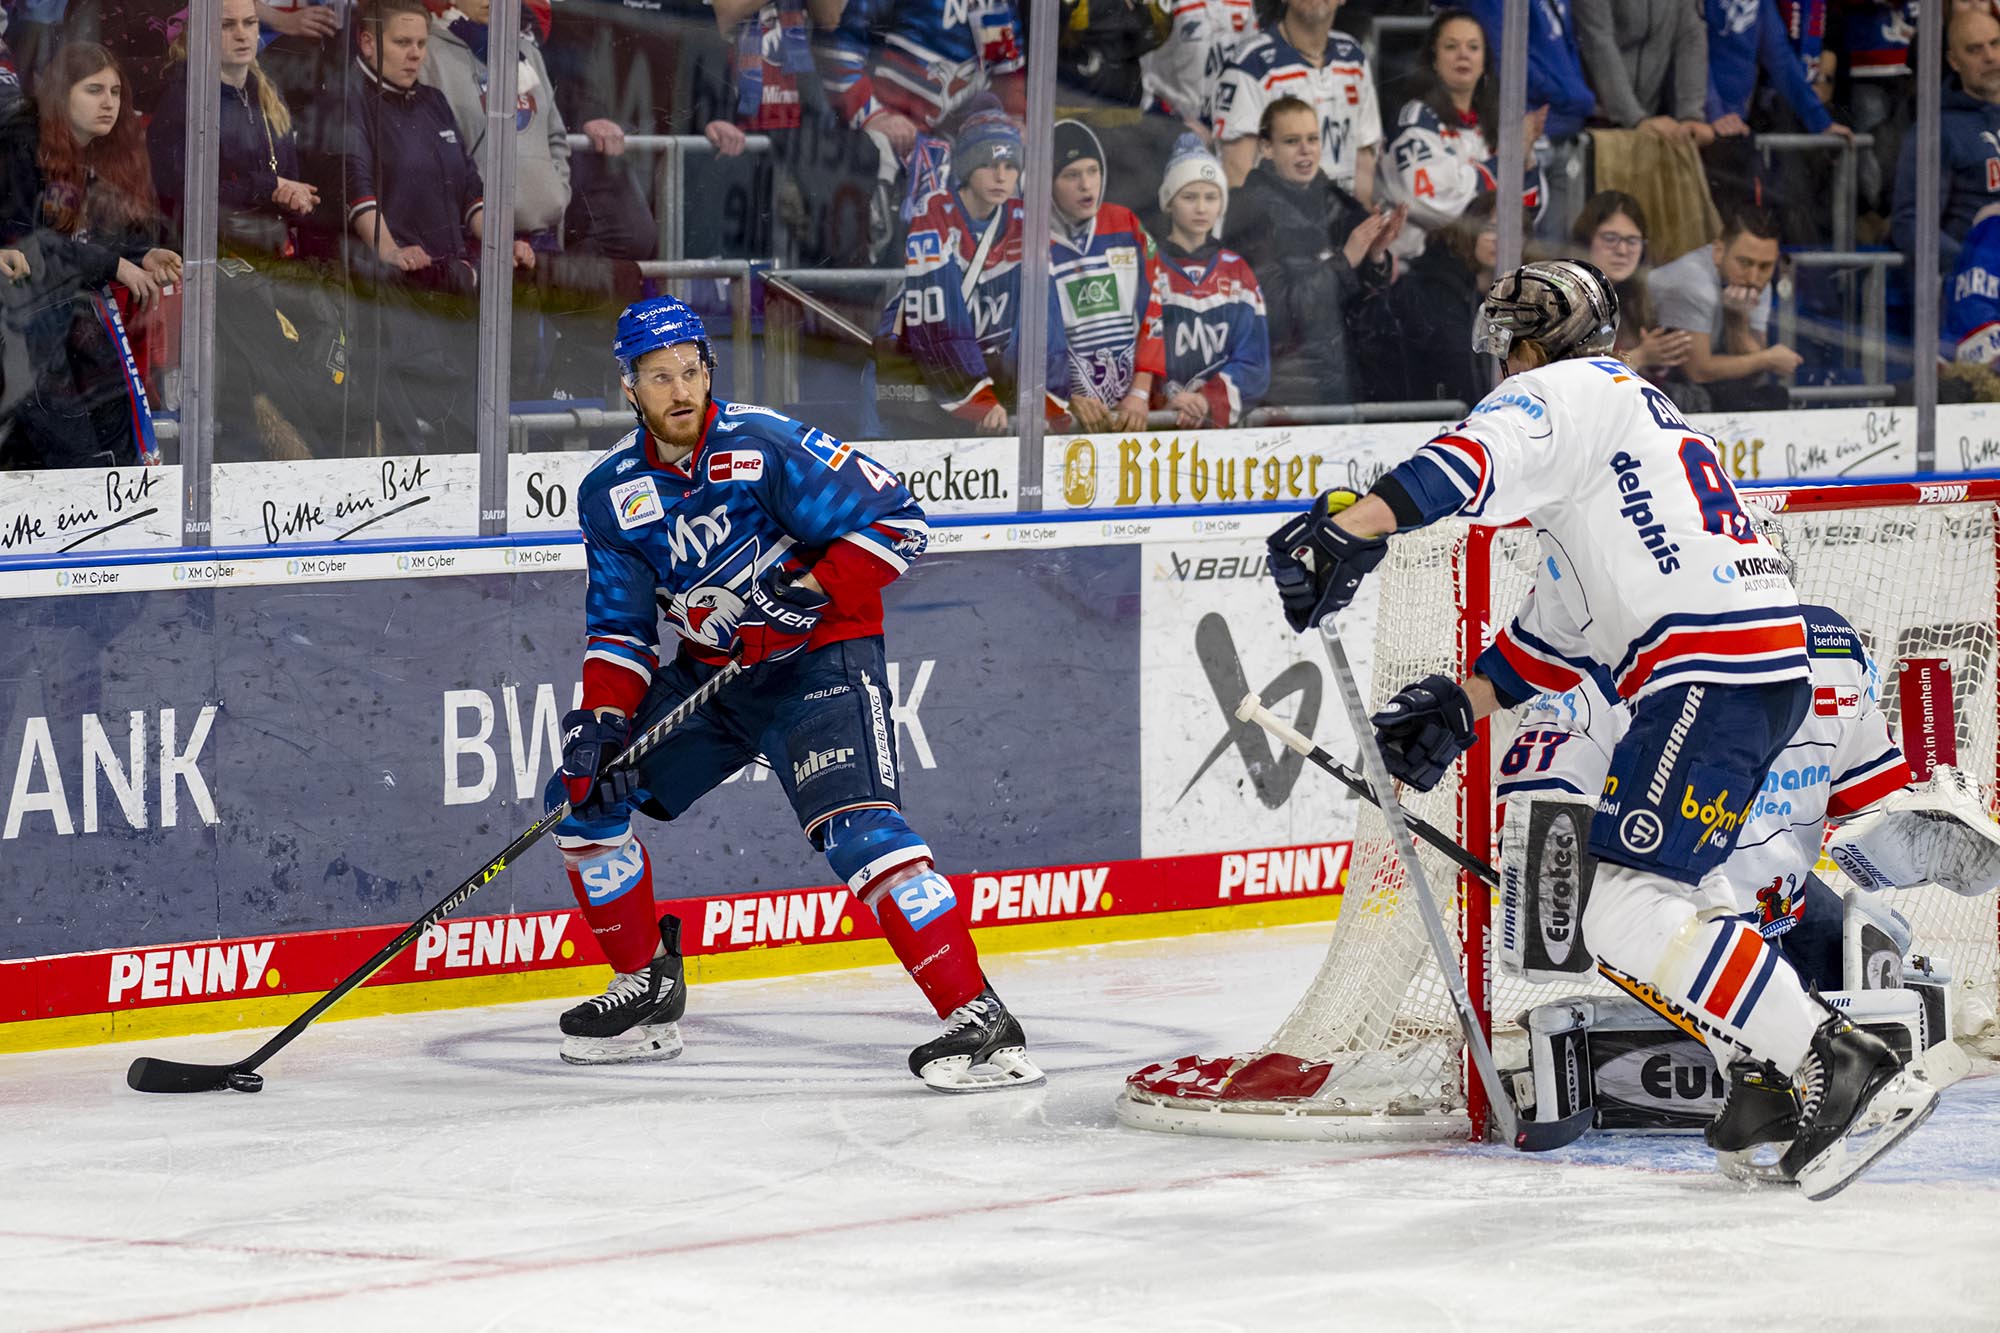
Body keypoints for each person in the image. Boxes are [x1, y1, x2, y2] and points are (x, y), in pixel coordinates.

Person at [1261, 258, 1940, 1199]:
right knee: (1689, 896)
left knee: (1620, 907)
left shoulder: (1564, 392)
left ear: (1529, 347)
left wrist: (1354, 527)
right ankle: (1764, 1072)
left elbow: (1465, 462)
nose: (1502, 369)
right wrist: (1463, 704)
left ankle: (1836, 1054)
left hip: (1707, 670)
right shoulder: (1626, 438)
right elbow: (1558, 633)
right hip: (1758, 666)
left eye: (1508, 350)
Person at [545, 294, 1042, 1091]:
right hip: (717, 675)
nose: (680, 389)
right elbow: (620, 631)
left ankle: (978, 1016)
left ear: (709, 370)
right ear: (629, 388)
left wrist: (804, 590)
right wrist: (600, 721)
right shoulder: (612, 493)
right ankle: (646, 988)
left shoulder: (763, 444)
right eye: (659, 376)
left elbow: (899, 521)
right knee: (582, 800)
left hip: (820, 662)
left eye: (690, 370)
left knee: (859, 832)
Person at [1487, 514, 1926, 1178]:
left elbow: (1541, 796)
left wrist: (1536, 863)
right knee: (1704, 906)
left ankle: (1813, 1060)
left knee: (1625, 914)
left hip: (1716, 909)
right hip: (1768, 902)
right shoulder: (1832, 646)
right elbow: (1873, 804)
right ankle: (1764, 1080)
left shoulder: (1618, 655)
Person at [0, 42, 179, 470]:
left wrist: (141, 254)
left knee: (109, 438)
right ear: (61, 93)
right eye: (94, 90)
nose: (109, 103)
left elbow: (82, 239)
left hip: (58, 322)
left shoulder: (84, 155)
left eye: (115, 92)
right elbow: (28, 250)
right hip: (22, 331)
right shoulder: (19, 145)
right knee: (77, 454)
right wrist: (115, 265)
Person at [340, 0, 506, 451]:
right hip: (395, 296)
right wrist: (389, 250)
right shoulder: (349, 101)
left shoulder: (434, 100)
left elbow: (470, 188)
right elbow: (356, 185)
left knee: (470, 430)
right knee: (419, 435)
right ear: (368, 43)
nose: (415, 53)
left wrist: (502, 242)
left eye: (420, 43)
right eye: (402, 43)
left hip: (452, 289)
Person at [878, 95, 1062, 434]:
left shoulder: (1024, 218)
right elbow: (940, 318)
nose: (1001, 177)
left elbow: (1045, 316)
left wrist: (1040, 397)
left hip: (987, 384)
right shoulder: (934, 211)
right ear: (966, 166)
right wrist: (977, 396)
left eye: (1010, 166)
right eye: (988, 165)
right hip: (920, 383)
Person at [1226, 96, 1402, 410]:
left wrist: (1375, 256)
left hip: (1348, 382)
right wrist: (1345, 262)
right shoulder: (1248, 213)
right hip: (1285, 394)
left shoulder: (1339, 204)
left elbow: (1365, 308)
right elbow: (1278, 313)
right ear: (1267, 148)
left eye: (1312, 139)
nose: (1305, 150)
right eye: (1292, 141)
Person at [1376, 7, 1544, 261]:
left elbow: (1528, 211)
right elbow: (1433, 203)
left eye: (1473, 47)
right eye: (1451, 46)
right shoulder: (1416, 118)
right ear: (1434, 59)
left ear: (1484, 62)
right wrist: (1507, 162)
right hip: (1419, 264)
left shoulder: (1499, 123)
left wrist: (1526, 160)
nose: (1463, 54)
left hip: (1484, 264)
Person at [1049, 118, 1164, 432]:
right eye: (1071, 175)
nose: (1086, 185)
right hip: (1065, 420)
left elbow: (1154, 309)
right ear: (1047, 182)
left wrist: (1140, 393)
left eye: (1093, 171)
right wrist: (1061, 397)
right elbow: (1027, 341)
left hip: (1131, 412)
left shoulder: (1127, 224)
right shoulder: (1030, 240)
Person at [1210, 0, 1380, 204]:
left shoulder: (1353, 57)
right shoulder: (1251, 63)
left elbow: (1364, 151)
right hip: (1274, 219)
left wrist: (1363, 215)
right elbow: (1236, 172)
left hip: (1343, 216)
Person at [1151, 133, 1267, 427]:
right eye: (1189, 197)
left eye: (1211, 197)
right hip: (1155, 429)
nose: (1201, 208)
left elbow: (1254, 363)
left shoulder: (1238, 274)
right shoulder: (1146, 267)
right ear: (1169, 202)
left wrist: (1206, 401)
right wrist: (1164, 398)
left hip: (1218, 436)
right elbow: (1131, 351)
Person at [1645, 202, 1799, 411]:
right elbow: (1698, 371)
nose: (1753, 277)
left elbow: (1753, 371)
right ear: (1718, 251)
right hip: (1652, 379)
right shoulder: (1692, 280)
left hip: (1695, 384)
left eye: (1765, 266)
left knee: (1771, 396)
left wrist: (1738, 322)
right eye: (1744, 263)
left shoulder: (1755, 282)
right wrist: (1767, 360)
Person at [1892, 5, 2000, 269]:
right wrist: (1971, 263)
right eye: (1974, 49)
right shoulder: (1937, 130)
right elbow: (1910, 224)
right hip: (1976, 283)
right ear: (1954, 61)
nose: (1989, 57)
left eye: (1996, 44)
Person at [1368, 195, 1496, 408]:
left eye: (1515, 231)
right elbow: (1456, 368)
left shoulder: (1525, 297)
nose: (1499, 239)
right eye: (1489, 228)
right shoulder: (1437, 289)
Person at [1571, 190, 1689, 380]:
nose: (1622, 250)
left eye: (1632, 241)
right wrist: (1641, 356)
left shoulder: (1637, 300)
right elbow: (1577, 378)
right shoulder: (1567, 298)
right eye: (1610, 238)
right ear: (1586, 241)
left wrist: (1658, 360)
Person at [1572, 0, 1711, 143]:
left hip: (1655, 116)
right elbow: (1598, 42)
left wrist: (1690, 115)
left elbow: (1690, 35)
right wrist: (1634, 118)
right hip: (1596, 119)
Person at [1140, 0, 1254, 128]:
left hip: (1232, 124)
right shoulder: (1162, 6)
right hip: (1172, 122)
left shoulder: (1251, 7)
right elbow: (1145, 72)